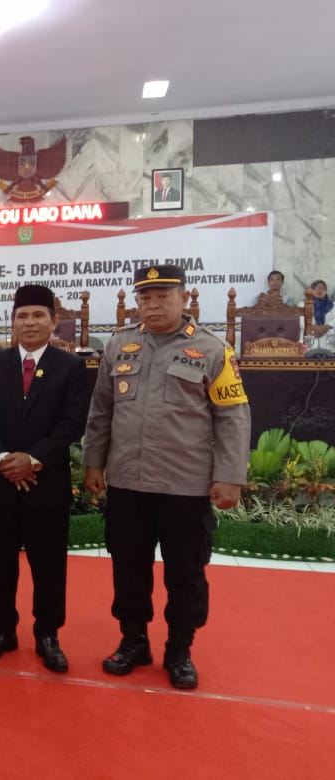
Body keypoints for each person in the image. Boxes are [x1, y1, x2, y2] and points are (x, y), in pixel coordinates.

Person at [83, 264, 250, 690]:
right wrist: (93, 462)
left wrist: (230, 476)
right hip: (128, 483)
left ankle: (180, 650)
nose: (153, 305)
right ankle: (133, 641)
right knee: (128, 568)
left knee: (185, 573)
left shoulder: (212, 349)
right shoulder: (119, 345)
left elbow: (232, 416)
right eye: (146, 297)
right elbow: (101, 410)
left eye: (163, 296)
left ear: (183, 297)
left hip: (184, 486)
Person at [0, 284, 86, 673]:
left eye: (38, 315)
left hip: (45, 484)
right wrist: (3, 459)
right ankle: (2, 629)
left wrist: (32, 460)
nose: (30, 323)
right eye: (22, 316)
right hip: (1, 483)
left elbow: (72, 422)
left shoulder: (70, 366)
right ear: (12, 321)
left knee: (48, 565)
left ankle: (47, 634)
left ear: (54, 321)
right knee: (0, 563)